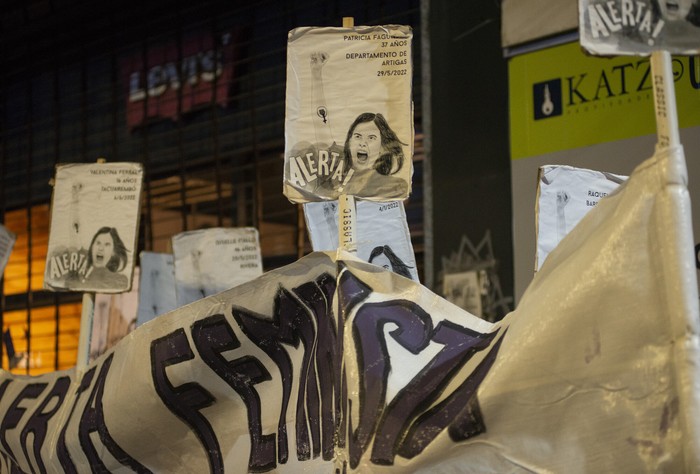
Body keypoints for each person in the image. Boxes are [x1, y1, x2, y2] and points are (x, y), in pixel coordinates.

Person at [285, 51, 409, 199]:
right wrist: (316, 72)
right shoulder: (336, 163)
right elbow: (321, 121)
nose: (362, 143)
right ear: (349, 142)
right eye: (357, 136)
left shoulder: (391, 186)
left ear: (383, 148)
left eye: (371, 138)